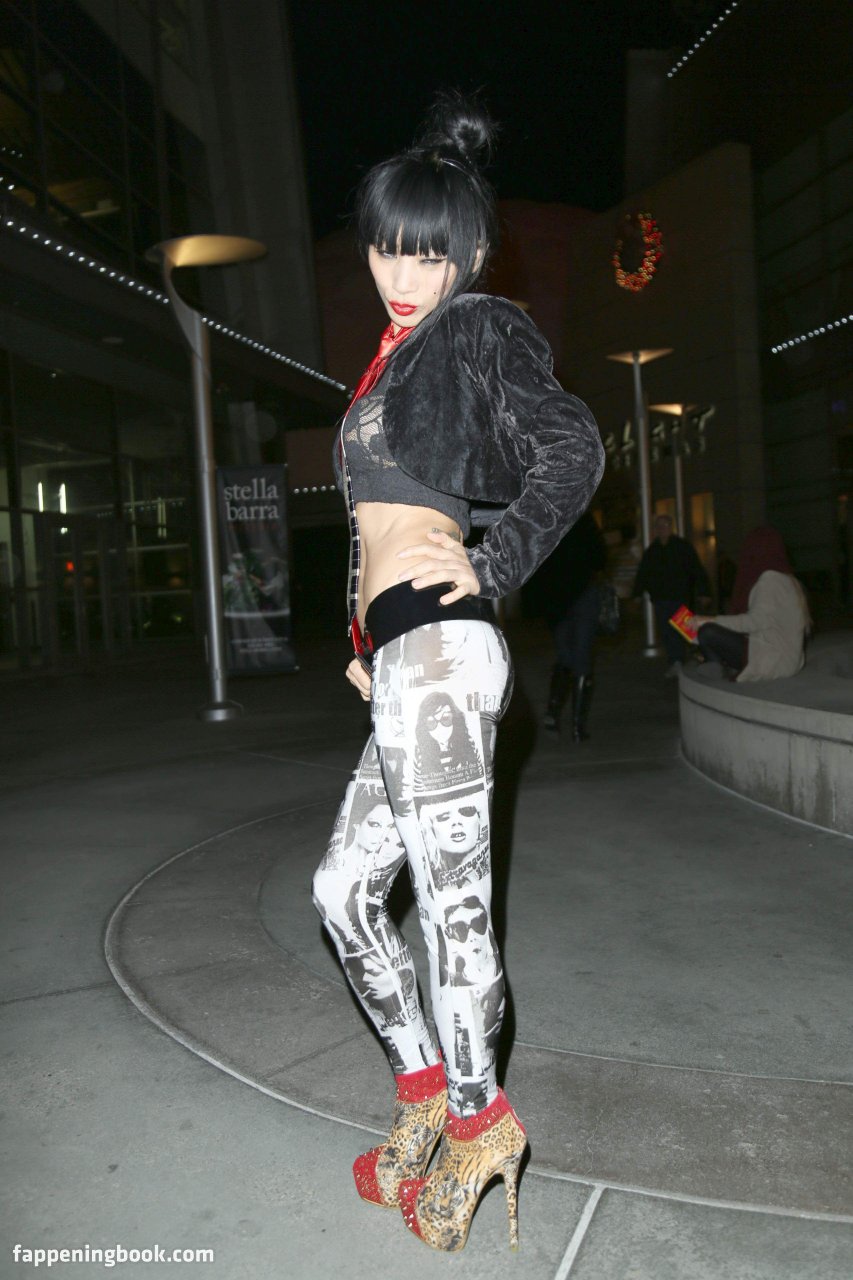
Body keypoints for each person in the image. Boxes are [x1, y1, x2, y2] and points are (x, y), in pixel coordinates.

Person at [310, 90, 604, 1253]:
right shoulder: (390, 365)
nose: (402, 272)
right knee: (342, 892)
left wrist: (490, 564)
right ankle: (425, 1091)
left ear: (467, 257)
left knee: (450, 910)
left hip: (442, 644)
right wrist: (361, 643)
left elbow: (572, 445)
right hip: (400, 655)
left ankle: (482, 1124)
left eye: (428, 253)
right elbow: (371, 528)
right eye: (387, 246)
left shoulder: (477, 328)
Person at [693, 526, 810, 681]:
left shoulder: (771, 580)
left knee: (708, 631)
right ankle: (715, 665)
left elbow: (754, 622)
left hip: (772, 660)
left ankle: (716, 666)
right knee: (711, 631)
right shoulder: (787, 579)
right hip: (784, 658)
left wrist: (709, 620)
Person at [541, 511, 607, 740]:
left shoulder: (548, 522)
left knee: (565, 656)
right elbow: (601, 558)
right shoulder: (585, 522)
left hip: (557, 600)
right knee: (582, 658)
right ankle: (577, 727)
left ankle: (553, 712)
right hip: (582, 597)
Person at [632, 513, 711, 676]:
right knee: (667, 631)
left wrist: (704, 592)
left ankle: (701, 654)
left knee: (685, 629)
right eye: (658, 526)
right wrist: (637, 594)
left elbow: (696, 568)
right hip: (661, 598)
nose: (662, 529)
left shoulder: (682, 547)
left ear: (671, 527)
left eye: (665, 525)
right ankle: (676, 660)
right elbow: (643, 574)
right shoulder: (652, 551)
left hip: (679, 596)